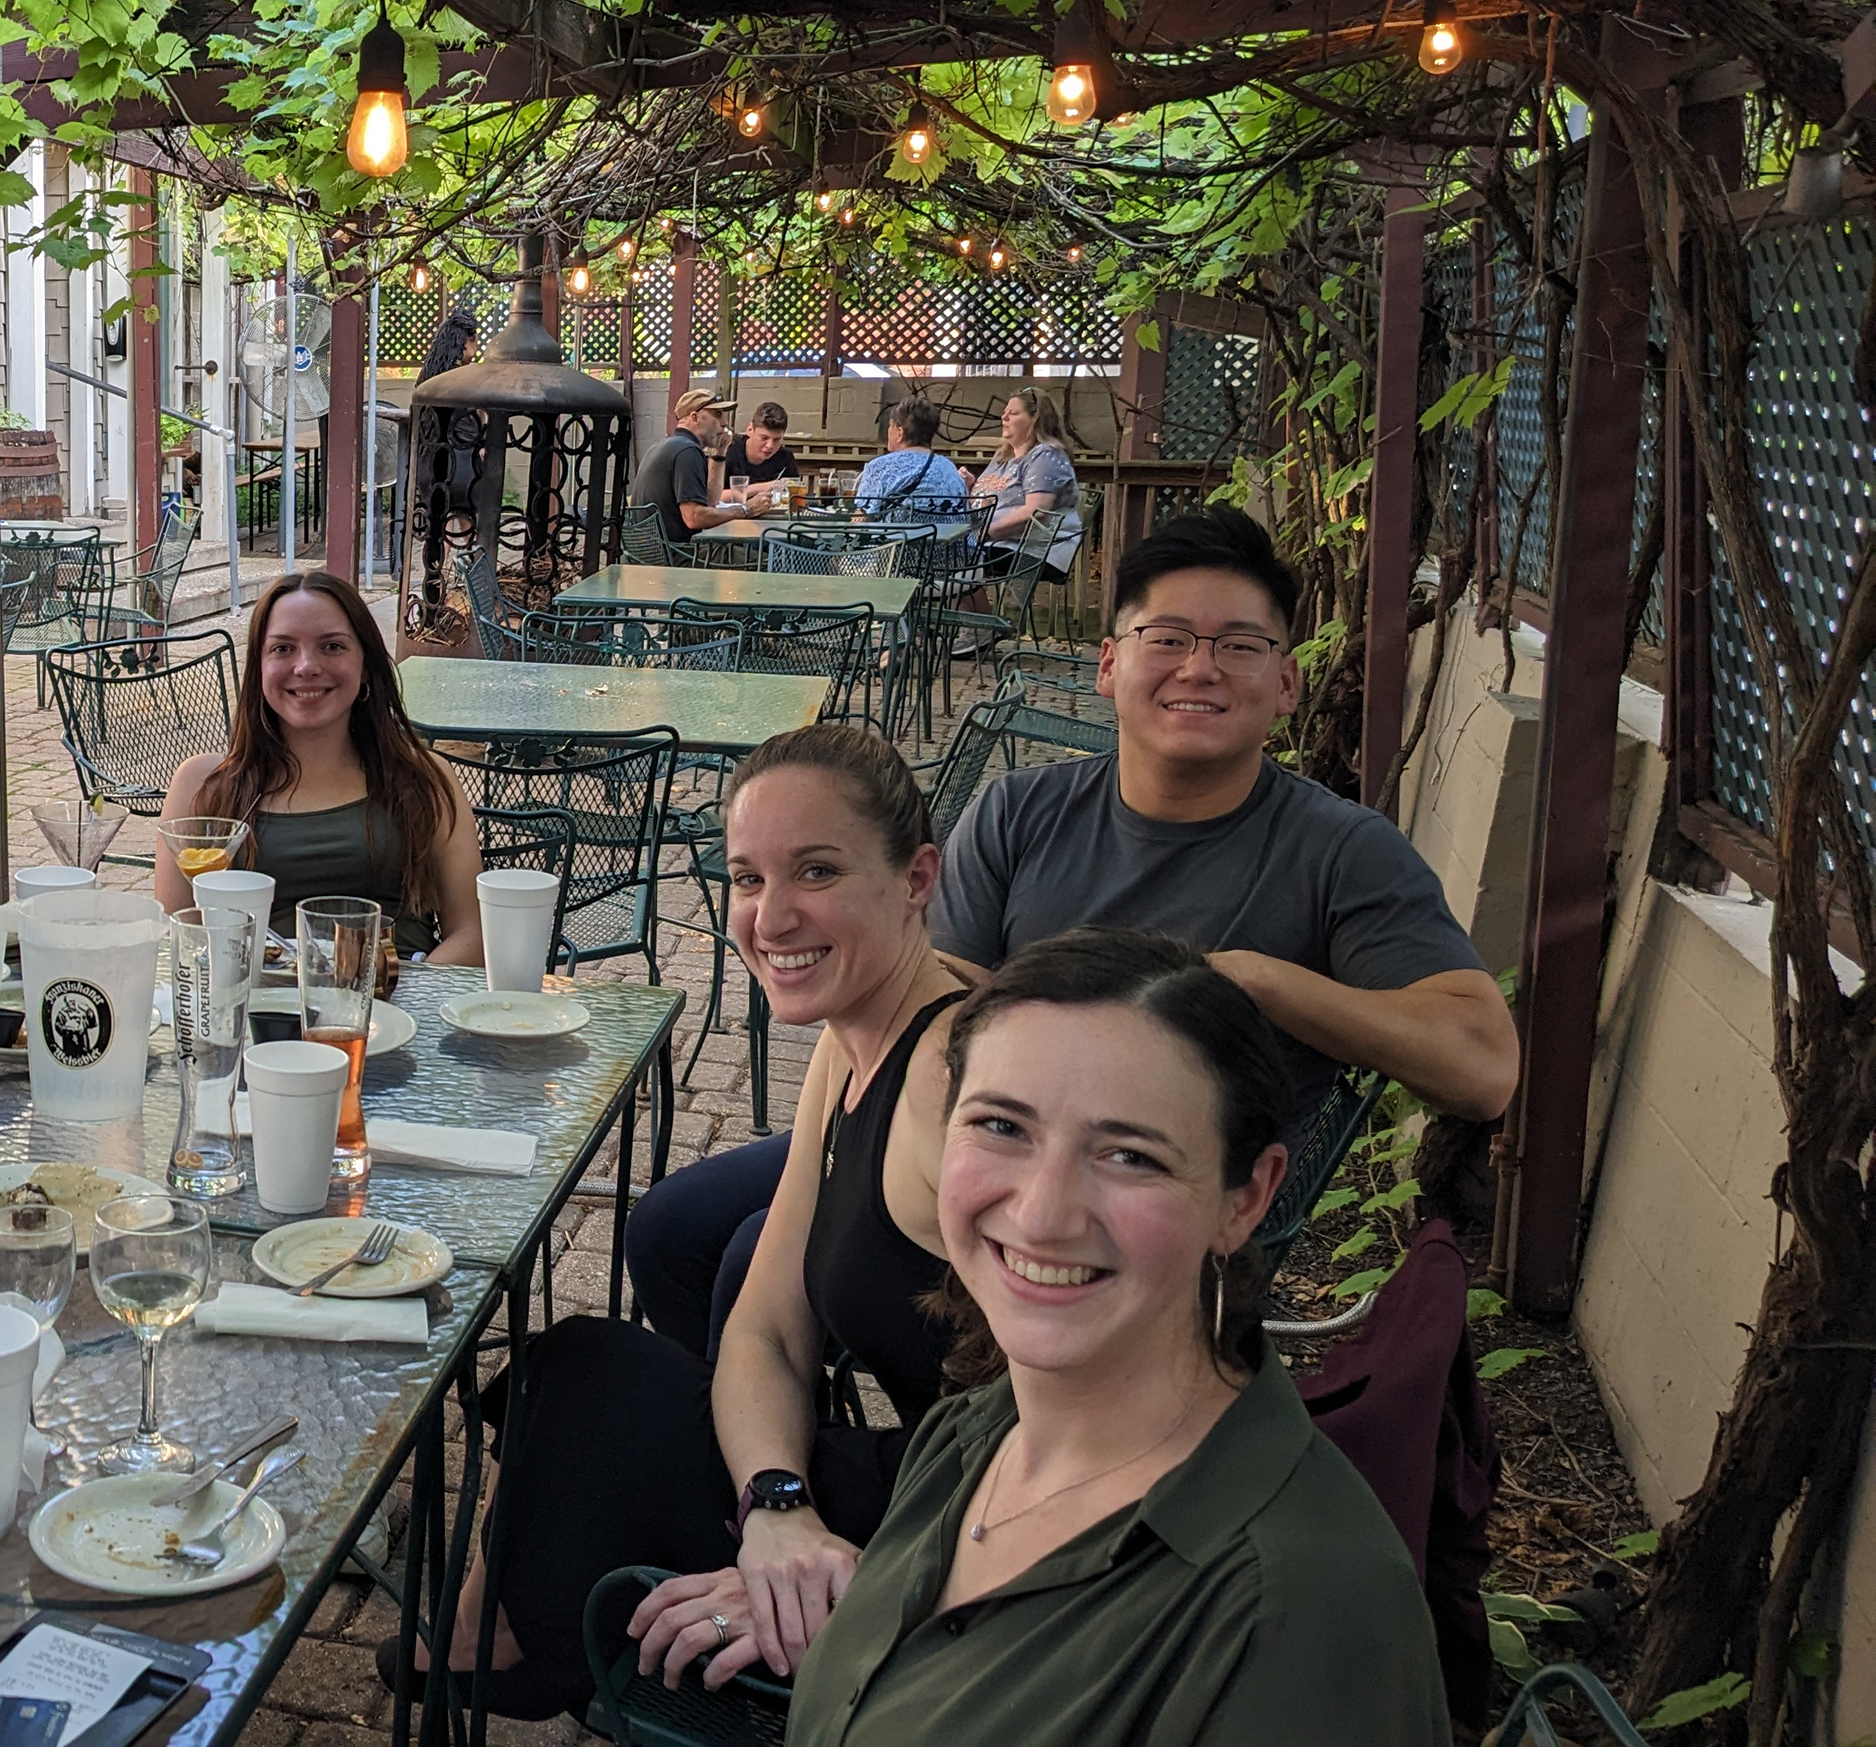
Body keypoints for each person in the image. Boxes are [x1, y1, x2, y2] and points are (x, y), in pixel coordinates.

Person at [648, 928, 1441, 1742]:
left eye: (1131, 1155)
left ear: (1245, 1199)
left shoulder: (1301, 1611)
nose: (1041, 1214)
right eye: (1002, 1127)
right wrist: (873, 1625)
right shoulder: (972, 1436)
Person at [417, 726, 968, 1719]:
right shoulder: (855, 1039)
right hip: (897, 1489)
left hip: (960, 1529)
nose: (772, 915)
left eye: (818, 871)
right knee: (580, 1364)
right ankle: (505, 1628)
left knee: (584, 1445)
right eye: (749, 878)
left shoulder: (959, 1089)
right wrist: (775, 1503)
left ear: (916, 877)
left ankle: (529, 1643)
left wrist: (865, 1573)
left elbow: (1083, 1449)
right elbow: (766, 1328)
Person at [933, 505, 1518, 1133]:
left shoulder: (1342, 852)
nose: (1200, 668)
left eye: (1240, 646)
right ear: (1108, 666)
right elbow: (936, 1009)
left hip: (1196, 1218)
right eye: (1167, 639)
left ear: (1288, 684)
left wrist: (1259, 982)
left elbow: (1482, 1070)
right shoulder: (1014, 814)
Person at [155, 571, 483, 961]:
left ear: (365, 664)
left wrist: (390, 1006)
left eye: (331, 646)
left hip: (400, 1006)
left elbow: (472, 936)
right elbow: (176, 941)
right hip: (256, 1011)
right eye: (283, 649)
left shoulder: (424, 778)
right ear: (259, 668)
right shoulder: (202, 785)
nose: (306, 666)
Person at [639, 388, 774, 547]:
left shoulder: (670, 445)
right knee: (768, 563)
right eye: (717, 415)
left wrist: (719, 453)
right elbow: (694, 518)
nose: (725, 423)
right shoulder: (686, 452)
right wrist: (746, 510)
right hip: (678, 556)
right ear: (695, 417)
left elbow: (710, 502)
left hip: (660, 553)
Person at [968, 387, 1081, 572]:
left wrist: (986, 532)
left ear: (1036, 420)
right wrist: (970, 486)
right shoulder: (1003, 457)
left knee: (948, 560)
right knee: (940, 556)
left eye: (1013, 413)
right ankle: (970, 601)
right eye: (1004, 413)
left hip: (1030, 550)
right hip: (995, 543)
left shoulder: (1045, 455)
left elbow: (1036, 511)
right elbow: (984, 501)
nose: (1004, 418)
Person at [851, 397, 970, 530]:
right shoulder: (949, 467)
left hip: (896, 548)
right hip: (947, 549)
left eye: (891, 426)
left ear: (900, 432)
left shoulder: (880, 467)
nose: (888, 431)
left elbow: (861, 521)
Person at [721, 401, 801, 504]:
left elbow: (794, 497)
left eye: (777, 440)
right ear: (750, 429)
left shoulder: (785, 458)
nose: (770, 445)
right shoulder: (729, 450)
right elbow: (712, 497)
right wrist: (763, 487)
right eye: (764, 438)